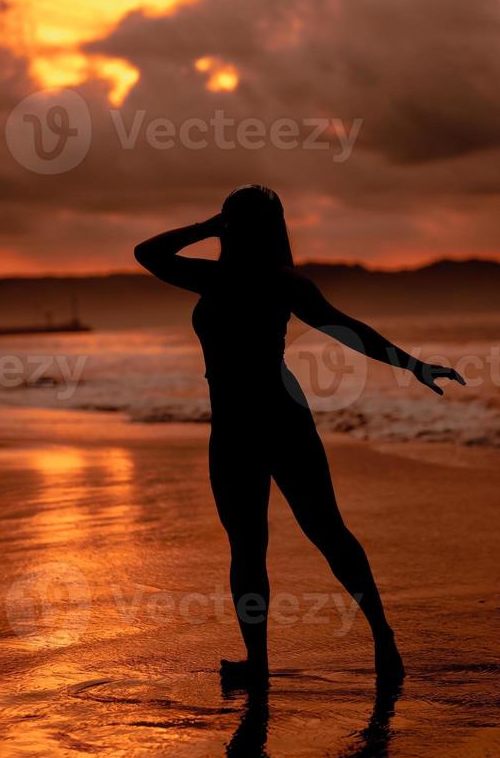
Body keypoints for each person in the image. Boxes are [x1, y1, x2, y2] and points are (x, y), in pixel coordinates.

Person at [134, 185, 465, 688]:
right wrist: (209, 226)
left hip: (276, 416)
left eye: (235, 219)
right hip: (232, 425)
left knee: (325, 530)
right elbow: (147, 254)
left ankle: (382, 637)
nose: (230, 226)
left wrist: (413, 365)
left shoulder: (280, 282)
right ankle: (258, 663)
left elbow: (348, 329)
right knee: (246, 546)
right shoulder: (213, 277)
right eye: (228, 218)